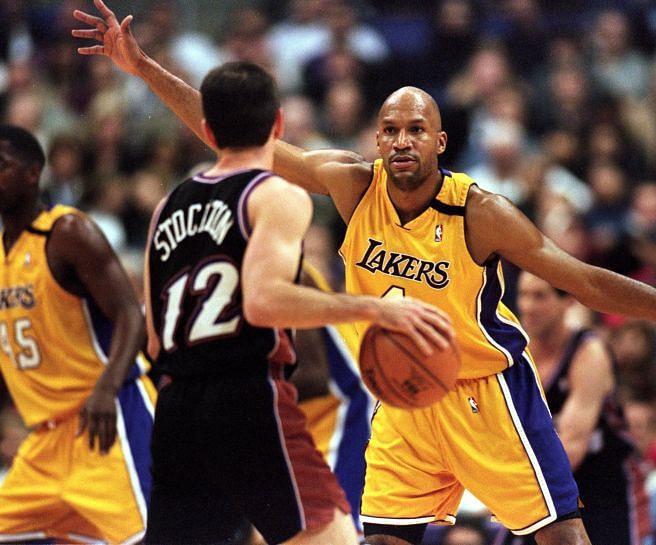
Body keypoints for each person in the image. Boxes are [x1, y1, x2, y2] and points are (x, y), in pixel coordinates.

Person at [72, 4, 656, 543]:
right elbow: (235, 135)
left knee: (561, 538)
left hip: (486, 394)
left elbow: (585, 281)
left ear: (440, 139)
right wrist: (142, 69)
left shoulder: (478, 211)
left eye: (415, 128)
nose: (399, 140)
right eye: (389, 128)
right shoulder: (351, 184)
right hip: (402, 401)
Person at [138, 60, 451, 545]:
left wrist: (140, 66)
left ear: (206, 130)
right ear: (279, 124)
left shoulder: (167, 206)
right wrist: (374, 309)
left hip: (176, 406)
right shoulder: (273, 193)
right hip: (246, 400)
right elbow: (264, 303)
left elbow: (156, 338)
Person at [0, 123, 156, 544]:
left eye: (2, 166)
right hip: (44, 442)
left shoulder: (65, 233)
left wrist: (106, 388)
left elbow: (131, 314)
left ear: (33, 173)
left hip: (107, 419)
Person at [494, 272, 649, 545]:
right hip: (541, 483)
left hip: (604, 486)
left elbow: (571, 450)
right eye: (524, 295)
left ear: (566, 302)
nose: (528, 305)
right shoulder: (512, 351)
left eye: (540, 296)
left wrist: (503, 488)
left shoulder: (589, 353)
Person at [294, 261, 374, 531]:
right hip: (286, 427)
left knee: (337, 528)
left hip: (342, 415)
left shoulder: (292, 272)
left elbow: (309, 375)